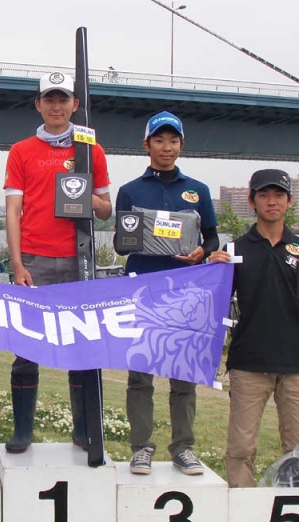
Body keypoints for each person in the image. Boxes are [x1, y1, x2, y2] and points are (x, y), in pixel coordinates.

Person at [4, 71, 112, 453]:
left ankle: (82, 430)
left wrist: (85, 199)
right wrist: (17, 264)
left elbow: (105, 210)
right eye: (49, 99)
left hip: (78, 261)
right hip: (34, 260)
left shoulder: (90, 150)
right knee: (25, 348)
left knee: (80, 348)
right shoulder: (21, 151)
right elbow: (13, 210)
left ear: (75, 105)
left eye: (63, 99)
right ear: (38, 104)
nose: (56, 106)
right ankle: (23, 431)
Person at [114, 110, 219, 477]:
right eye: (159, 140)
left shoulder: (198, 191)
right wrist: (132, 238)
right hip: (143, 292)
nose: (166, 147)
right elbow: (121, 245)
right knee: (140, 377)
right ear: (146, 145)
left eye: (173, 140)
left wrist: (202, 252)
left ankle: (183, 448)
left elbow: (212, 237)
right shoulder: (130, 191)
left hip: (187, 295)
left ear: (181, 145)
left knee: (183, 375)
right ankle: (141, 447)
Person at [209, 169, 299, 487]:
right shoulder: (234, 251)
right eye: (264, 195)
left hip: (295, 363)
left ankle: (296, 514)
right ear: (251, 201)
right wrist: (211, 271)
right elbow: (214, 304)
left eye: (278, 195)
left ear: (290, 202)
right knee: (241, 449)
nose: (271, 201)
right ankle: (242, 514)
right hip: (249, 362)